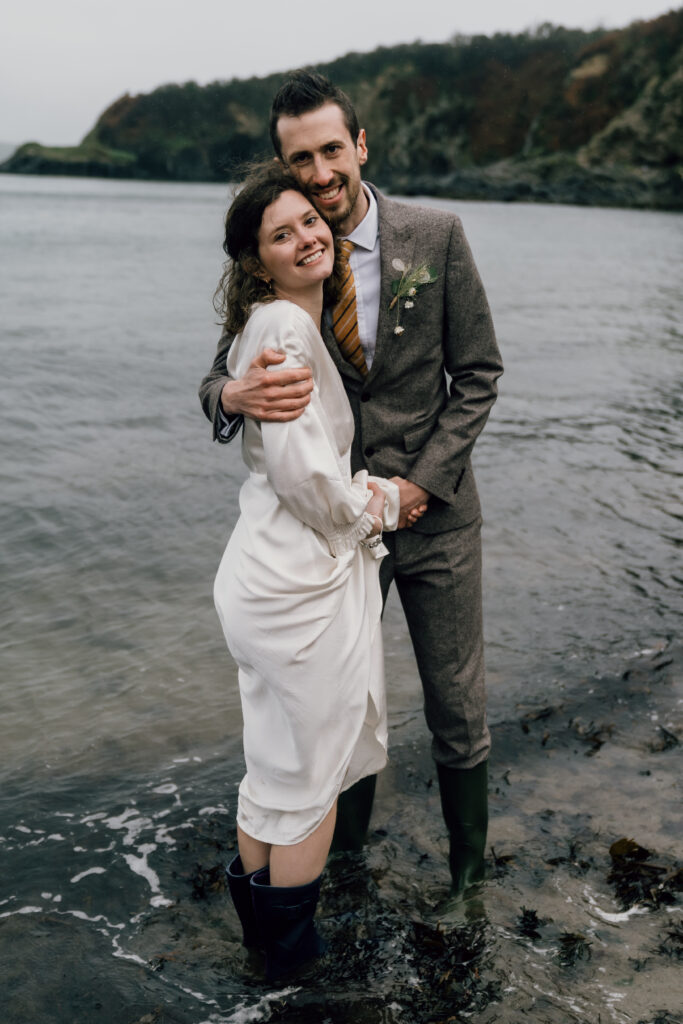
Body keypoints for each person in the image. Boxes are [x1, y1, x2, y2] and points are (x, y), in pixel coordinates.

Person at [199, 72, 503, 898]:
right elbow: (218, 377)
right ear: (284, 165)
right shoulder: (285, 266)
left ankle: (467, 876)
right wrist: (231, 396)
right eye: (302, 158)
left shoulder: (434, 236)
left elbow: (477, 374)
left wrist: (421, 487)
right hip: (330, 544)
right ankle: (346, 864)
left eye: (333, 149)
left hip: (434, 517)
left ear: (359, 145)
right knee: (344, 705)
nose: (322, 171)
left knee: (454, 703)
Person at [211, 161, 400, 981]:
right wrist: (377, 507)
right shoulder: (285, 329)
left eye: (309, 223)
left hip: (261, 576)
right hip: (295, 586)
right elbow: (302, 475)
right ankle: (290, 969)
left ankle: (261, 954)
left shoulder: (274, 321)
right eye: (280, 234)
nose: (305, 236)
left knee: (272, 768)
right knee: (310, 783)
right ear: (257, 261)